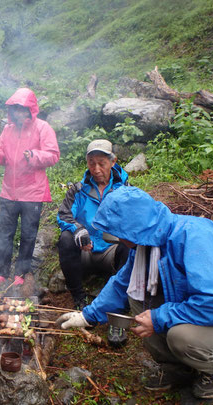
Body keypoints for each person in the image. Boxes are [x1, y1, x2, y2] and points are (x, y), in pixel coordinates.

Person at [56, 187, 213, 400]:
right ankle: (179, 367)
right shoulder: (146, 242)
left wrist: (159, 317)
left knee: (181, 337)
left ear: (132, 228)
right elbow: (121, 284)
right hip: (209, 310)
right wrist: (87, 315)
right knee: (137, 296)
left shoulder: (193, 235)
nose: (119, 239)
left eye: (119, 233)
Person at [0, 88, 60, 287]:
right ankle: (0, 273)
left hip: (32, 193)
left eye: (22, 109)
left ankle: (21, 274)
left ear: (31, 109)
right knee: (4, 234)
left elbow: (53, 155)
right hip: (9, 191)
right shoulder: (7, 130)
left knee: (28, 235)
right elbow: (1, 157)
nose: (18, 113)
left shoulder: (43, 128)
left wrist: (34, 156)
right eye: (15, 109)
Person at [56, 139, 130, 347]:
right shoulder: (78, 190)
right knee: (65, 239)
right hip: (85, 251)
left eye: (102, 163)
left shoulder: (124, 190)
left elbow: (135, 221)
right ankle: (80, 299)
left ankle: (117, 313)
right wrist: (78, 229)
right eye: (91, 163)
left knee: (129, 248)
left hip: (111, 251)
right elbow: (63, 215)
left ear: (113, 162)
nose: (96, 169)